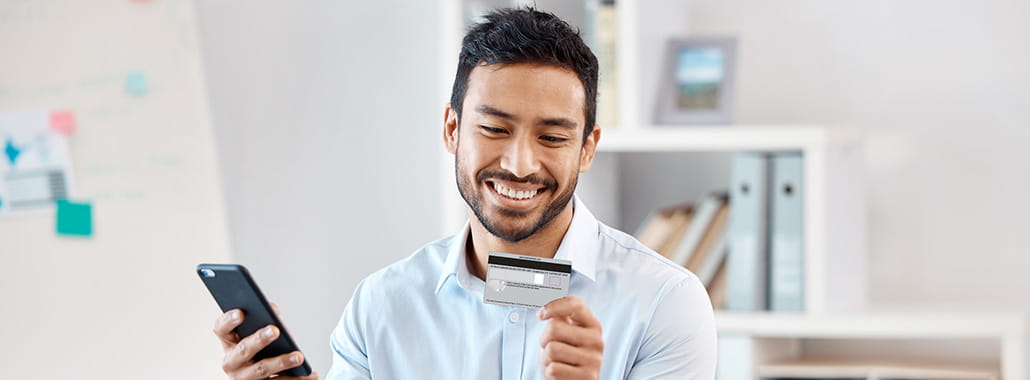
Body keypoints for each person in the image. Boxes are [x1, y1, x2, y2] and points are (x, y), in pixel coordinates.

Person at [212, 7, 716, 380]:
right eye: (494, 129)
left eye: (553, 137)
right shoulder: (382, 305)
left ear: (587, 149)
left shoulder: (663, 303)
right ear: (452, 129)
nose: (520, 164)